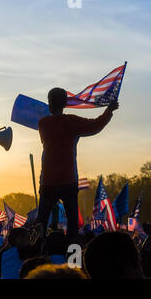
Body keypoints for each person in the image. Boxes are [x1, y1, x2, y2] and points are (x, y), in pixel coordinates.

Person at [36, 87, 119, 238]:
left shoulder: (43, 123)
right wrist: (109, 111)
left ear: (49, 103)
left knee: (41, 221)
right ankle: (73, 256)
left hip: (47, 181)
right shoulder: (71, 121)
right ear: (66, 103)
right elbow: (96, 125)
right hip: (68, 180)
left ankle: (37, 252)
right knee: (73, 223)